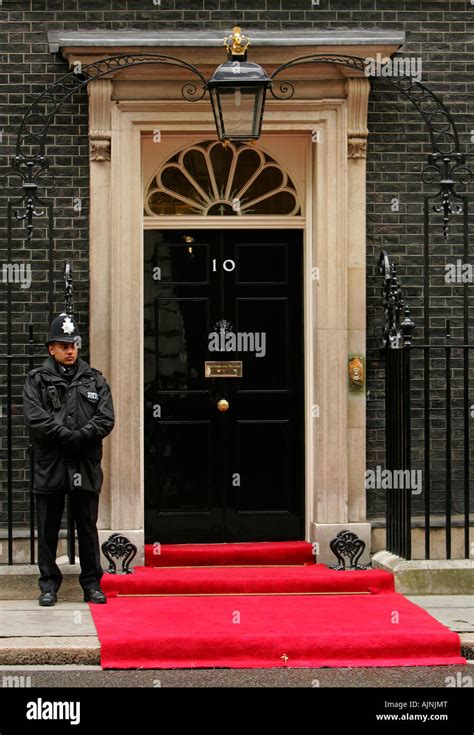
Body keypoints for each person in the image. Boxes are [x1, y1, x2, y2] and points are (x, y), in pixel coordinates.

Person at [22, 312, 115, 606]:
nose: (70, 350)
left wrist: (82, 434)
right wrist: (66, 434)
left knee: (86, 526)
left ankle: (91, 584)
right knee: (48, 526)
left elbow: (106, 418)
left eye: (73, 344)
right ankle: (48, 584)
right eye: (63, 345)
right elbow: (35, 418)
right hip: (51, 464)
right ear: (51, 348)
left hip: (84, 464)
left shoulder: (94, 379)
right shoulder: (36, 380)